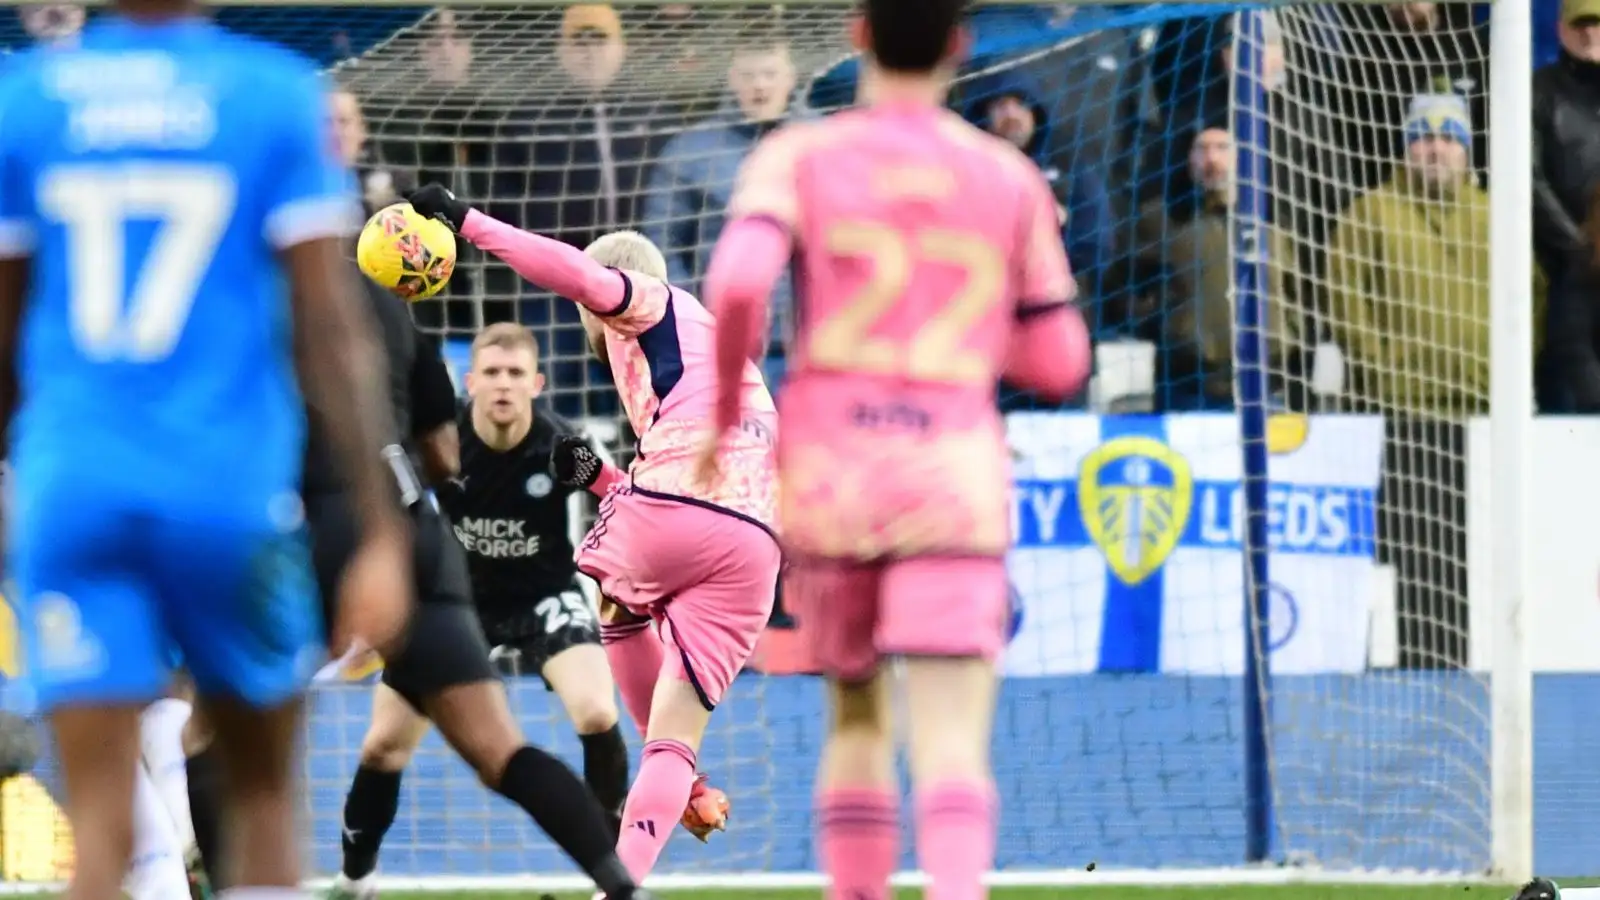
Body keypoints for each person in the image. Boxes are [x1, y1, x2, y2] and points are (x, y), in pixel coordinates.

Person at [0, 0, 417, 897]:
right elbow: (330, 330)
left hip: (75, 489)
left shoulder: (26, 101)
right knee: (264, 801)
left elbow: (3, 331)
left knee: (105, 827)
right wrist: (384, 528)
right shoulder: (272, 94)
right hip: (228, 496)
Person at [696, 1, 1091, 897]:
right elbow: (1060, 361)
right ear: (962, 43)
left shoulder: (797, 155)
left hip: (835, 475)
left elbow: (739, 282)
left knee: (857, 717)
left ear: (857, 34)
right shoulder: (1006, 175)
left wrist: (724, 418)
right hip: (952, 474)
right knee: (952, 733)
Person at [408, 181, 780, 881]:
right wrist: (608, 481)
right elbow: (715, 477)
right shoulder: (720, 360)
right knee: (676, 742)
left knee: (615, 608)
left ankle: (670, 808)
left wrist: (466, 219)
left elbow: (577, 272)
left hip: (685, 510)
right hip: (756, 543)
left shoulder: (649, 301)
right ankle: (661, 831)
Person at [319, 320, 634, 896]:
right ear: (471, 382)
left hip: (545, 595)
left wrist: (615, 578)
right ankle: (354, 878)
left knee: (595, 712)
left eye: (516, 374)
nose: (503, 385)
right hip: (458, 602)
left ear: (537, 383)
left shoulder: (566, 450)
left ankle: (611, 872)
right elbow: (391, 510)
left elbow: (621, 504)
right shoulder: (441, 443)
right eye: (492, 373)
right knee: (382, 744)